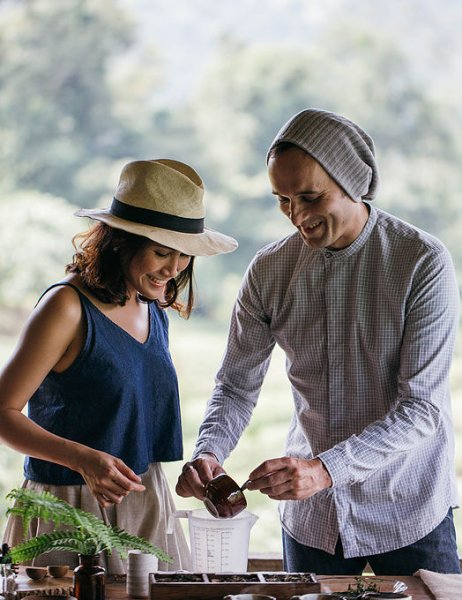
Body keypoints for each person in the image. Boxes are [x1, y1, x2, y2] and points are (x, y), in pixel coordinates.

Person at [176, 109, 461, 576]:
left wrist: (324, 470)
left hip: (408, 509)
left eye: (309, 197)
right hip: (313, 522)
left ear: (352, 182)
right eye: (282, 200)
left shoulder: (421, 261)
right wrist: (209, 452)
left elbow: (421, 409)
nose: (296, 215)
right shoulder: (268, 271)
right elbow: (236, 386)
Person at [0, 158, 237, 573]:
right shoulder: (66, 307)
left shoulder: (152, 307)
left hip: (148, 505)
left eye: (184, 255)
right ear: (120, 242)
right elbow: (3, 412)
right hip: (68, 508)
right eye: (161, 252)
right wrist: (83, 459)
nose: (173, 269)